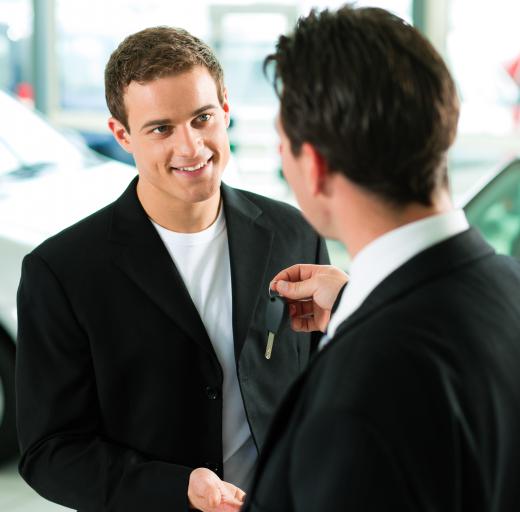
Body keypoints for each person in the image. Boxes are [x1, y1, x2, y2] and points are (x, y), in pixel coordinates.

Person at [15, 27, 328, 512]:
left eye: (202, 118)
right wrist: (174, 488)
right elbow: (49, 452)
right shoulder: (62, 272)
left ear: (225, 109)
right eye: (161, 128)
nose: (191, 147)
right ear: (122, 135)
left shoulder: (295, 233)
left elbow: (322, 389)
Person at [242, 5, 520, 512]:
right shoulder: (509, 285)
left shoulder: (361, 394)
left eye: (283, 145)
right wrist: (357, 303)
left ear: (317, 167)